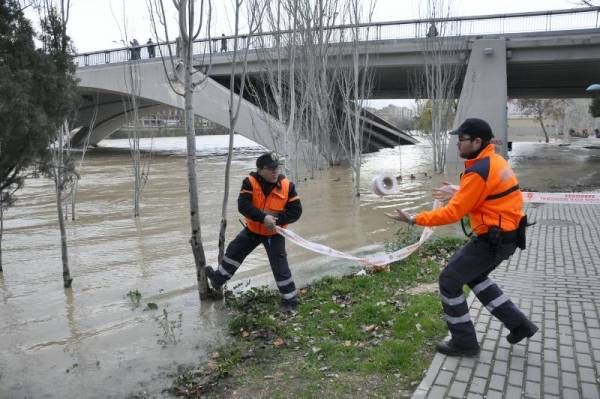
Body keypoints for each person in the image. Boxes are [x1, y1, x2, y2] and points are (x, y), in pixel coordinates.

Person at [386, 118, 538, 357]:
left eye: (462, 139)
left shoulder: (479, 171)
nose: (458, 144)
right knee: (476, 277)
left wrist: (414, 219)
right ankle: (519, 325)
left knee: (449, 281)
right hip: (507, 237)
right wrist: (460, 192)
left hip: (493, 240)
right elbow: (489, 195)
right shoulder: (494, 161)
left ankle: (464, 343)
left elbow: (452, 213)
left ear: (478, 141)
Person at [206, 152, 302, 312]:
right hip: (253, 230)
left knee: (280, 266)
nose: (275, 172)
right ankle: (217, 280)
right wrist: (263, 218)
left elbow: (296, 211)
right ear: (260, 170)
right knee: (233, 253)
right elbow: (243, 205)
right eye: (271, 169)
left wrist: (276, 220)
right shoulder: (249, 182)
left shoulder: (287, 186)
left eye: (276, 168)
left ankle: (290, 301)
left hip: (274, 234)